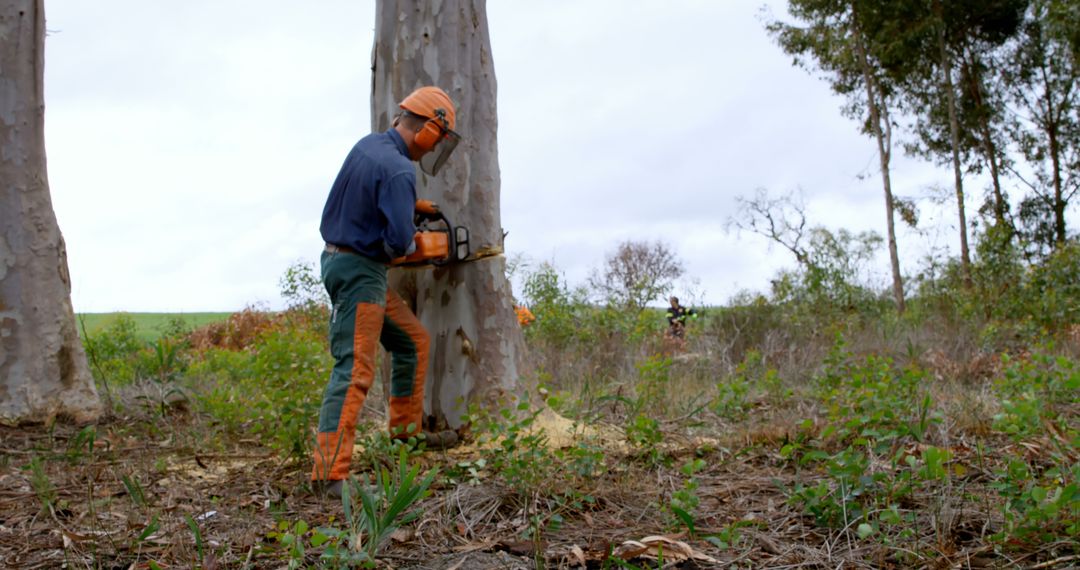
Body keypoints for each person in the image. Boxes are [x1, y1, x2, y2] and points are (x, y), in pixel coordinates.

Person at [312, 86, 462, 498]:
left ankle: (405, 436)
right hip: (360, 272)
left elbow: (368, 197)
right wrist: (419, 242)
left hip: (349, 265)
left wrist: (410, 206)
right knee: (354, 369)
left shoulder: (370, 147)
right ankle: (329, 475)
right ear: (430, 132)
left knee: (412, 341)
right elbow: (398, 245)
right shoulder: (399, 170)